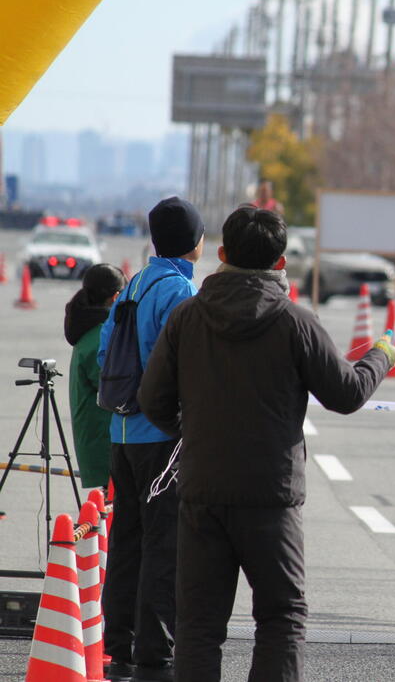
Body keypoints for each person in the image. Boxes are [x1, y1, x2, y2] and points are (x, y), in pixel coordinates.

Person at [137, 205, 395, 682]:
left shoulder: (187, 318)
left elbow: (152, 400)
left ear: (221, 254)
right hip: (270, 497)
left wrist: (194, 431)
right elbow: (346, 394)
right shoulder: (296, 322)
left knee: (197, 625)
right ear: (280, 263)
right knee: (280, 618)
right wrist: (381, 355)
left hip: (201, 493)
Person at [98, 196, 205, 682]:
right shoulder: (180, 290)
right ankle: (154, 651)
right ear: (195, 242)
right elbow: (186, 365)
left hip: (121, 431)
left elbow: (105, 352)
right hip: (160, 435)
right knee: (165, 542)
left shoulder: (134, 284)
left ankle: (117, 644)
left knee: (127, 540)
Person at [64, 263, 126, 489]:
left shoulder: (92, 330)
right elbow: (116, 389)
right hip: (103, 441)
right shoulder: (100, 337)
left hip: (97, 438)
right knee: (107, 511)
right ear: (116, 296)